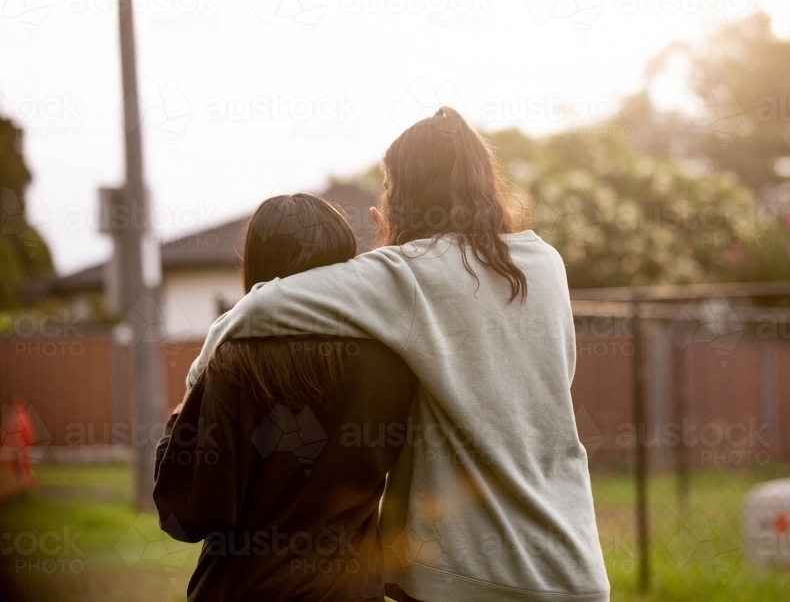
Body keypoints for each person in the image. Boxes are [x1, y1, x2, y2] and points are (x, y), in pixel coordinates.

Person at [186, 107, 611, 602]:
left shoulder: (405, 276)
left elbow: (266, 303)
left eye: (389, 183)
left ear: (404, 191)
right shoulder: (545, 262)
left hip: (472, 574)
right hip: (573, 566)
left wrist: (200, 377)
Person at [154, 193, 416, 602]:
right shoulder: (394, 364)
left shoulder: (232, 364)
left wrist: (178, 420)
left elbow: (185, 517)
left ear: (259, 266)